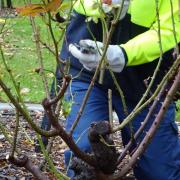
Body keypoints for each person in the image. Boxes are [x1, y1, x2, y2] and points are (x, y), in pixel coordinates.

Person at [39, 0, 180, 179]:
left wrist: (124, 53)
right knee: (84, 160)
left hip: (145, 81)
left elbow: (171, 28)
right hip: (86, 69)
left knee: (160, 172)